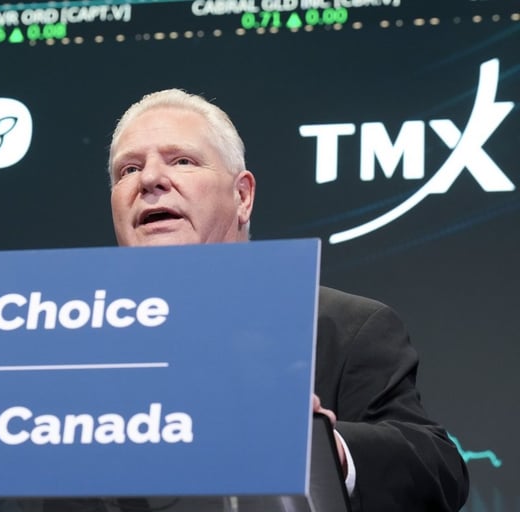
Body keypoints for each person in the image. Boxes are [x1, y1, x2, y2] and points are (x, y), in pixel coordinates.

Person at [107, 89, 469, 512]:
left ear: (243, 196)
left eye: (182, 161)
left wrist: (327, 448)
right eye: (128, 169)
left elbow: (438, 470)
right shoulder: (70, 346)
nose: (149, 179)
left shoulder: (343, 328)